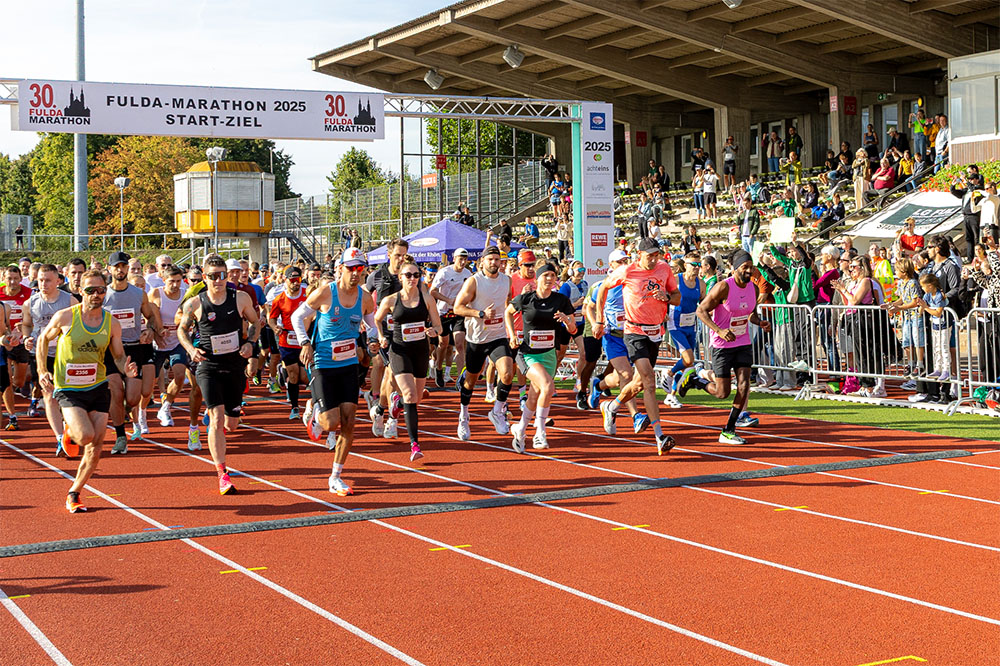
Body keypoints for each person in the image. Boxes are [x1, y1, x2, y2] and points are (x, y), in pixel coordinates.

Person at [36, 269, 136, 513]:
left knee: (96, 445)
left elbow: (119, 355)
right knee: (84, 436)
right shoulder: (65, 317)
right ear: (80, 291)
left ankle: (75, 491)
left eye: (101, 290)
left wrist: (127, 369)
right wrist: (41, 371)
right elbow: (42, 340)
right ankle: (69, 430)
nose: (96, 295)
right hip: (69, 388)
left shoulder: (111, 322)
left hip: (97, 385)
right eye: (91, 290)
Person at [295, 247, 378, 496]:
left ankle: (336, 476)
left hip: (348, 364)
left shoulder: (364, 298)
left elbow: (372, 325)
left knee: (350, 422)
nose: (355, 273)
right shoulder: (325, 293)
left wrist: (373, 339)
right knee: (331, 423)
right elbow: (298, 317)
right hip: (323, 363)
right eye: (351, 268)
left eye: (360, 269)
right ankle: (313, 411)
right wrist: (305, 343)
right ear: (340, 268)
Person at [176, 255, 260, 495]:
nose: (219, 280)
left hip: (234, 364)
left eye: (222, 275)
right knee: (215, 419)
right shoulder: (195, 303)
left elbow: (256, 322)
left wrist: (250, 343)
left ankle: (224, 412)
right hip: (208, 365)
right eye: (213, 276)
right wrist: (191, 349)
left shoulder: (240, 298)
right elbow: (181, 329)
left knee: (231, 425)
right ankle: (222, 473)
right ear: (205, 278)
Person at [595, 237, 680, 454]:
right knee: (649, 381)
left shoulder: (664, 269)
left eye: (656, 255)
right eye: (649, 255)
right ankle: (660, 437)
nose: (653, 259)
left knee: (639, 384)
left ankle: (611, 406)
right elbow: (603, 289)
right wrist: (598, 319)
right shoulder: (627, 271)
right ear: (639, 254)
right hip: (633, 331)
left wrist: (667, 296)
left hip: (655, 331)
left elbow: (677, 297)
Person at [688, 251, 771, 445]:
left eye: (751, 267)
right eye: (745, 267)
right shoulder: (723, 287)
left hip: (743, 342)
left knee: (744, 385)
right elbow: (701, 311)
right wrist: (719, 330)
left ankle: (728, 429)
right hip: (722, 345)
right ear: (734, 269)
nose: (749, 271)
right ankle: (695, 381)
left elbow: (750, 314)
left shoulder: (754, 288)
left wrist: (760, 323)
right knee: (722, 392)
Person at [373, 257, 443, 462]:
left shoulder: (427, 298)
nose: (413, 278)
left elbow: (439, 326)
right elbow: (377, 319)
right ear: (400, 277)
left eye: (416, 275)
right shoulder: (391, 300)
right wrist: (380, 336)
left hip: (420, 350)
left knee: (416, 398)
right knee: (410, 394)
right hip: (399, 350)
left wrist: (433, 330)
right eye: (408, 275)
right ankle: (414, 444)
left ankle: (397, 404)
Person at [505, 262, 576, 452]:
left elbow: (573, 328)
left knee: (535, 394)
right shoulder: (526, 299)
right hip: (528, 353)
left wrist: (566, 320)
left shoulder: (561, 300)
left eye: (553, 275)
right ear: (537, 278)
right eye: (546, 275)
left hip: (549, 354)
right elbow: (508, 313)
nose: (550, 279)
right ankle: (540, 432)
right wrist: (512, 335)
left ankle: (520, 428)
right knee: (547, 386)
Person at [102, 252, 164, 453]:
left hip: (135, 348)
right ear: (109, 269)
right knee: (115, 394)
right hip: (110, 350)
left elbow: (151, 316)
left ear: (127, 269)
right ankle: (120, 436)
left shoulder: (138, 294)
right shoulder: (102, 295)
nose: (120, 270)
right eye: (116, 266)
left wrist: (149, 329)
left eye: (123, 266)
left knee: (132, 398)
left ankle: (129, 414)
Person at [453, 245, 514, 439]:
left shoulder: (507, 280)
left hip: (498, 336)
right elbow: (457, 308)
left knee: (507, 373)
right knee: (470, 382)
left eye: (497, 259)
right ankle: (463, 416)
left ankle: (497, 411)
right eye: (490, 259)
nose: (494, 263)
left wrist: (511, 330)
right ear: (482, 262)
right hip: (476, 339)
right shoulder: (474, 282)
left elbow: (507, 304)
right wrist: (480, 314)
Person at [21, 264, 76, 451]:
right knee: (48, 393)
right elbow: (26, 325)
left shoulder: (70, 301)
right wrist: (27, 337)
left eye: (48, 280)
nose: (43, 284)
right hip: (42, 354)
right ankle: (60, 438)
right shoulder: (30, 303)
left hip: (66, 355)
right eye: (41, 280)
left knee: (67, 395)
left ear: (58, 281)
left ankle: (70, 427)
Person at [148, 265, 201, 448]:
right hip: (158, 342)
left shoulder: (186, 294)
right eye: (172, 281)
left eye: (179, 281)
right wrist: (156, 333)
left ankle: (166, 407)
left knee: (179, 375)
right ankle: (140, 417)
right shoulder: (155, 293)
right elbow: (149, 317)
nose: (176, 285)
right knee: (149, 384)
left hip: (177, 341)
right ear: (164, 279)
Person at [365, 238, 408, 438]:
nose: (400, 259)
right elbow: (364, 296)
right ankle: (391, 418)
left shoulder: (409, 275)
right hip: (383, 331)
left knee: (393, 374)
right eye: (397, 255)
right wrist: (366, 325)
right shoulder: (377, 276)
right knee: (390, 370)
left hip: (405, 331)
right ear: (389, 255)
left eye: (403, 255)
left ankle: (380, 410)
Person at [663, 252, 705, 409]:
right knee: (688, 359)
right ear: (685, 265)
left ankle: (671, 396)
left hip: (690, 325)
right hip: (675, 324)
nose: (696, 268)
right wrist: (663, 313)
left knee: (688, 365)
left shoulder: (701, 284)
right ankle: (669, 373)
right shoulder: (676, 280)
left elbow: (703, 302)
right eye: (693, 265)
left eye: (698, 265)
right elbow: (664, 296)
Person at [268, 265, 309, 419]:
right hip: (287, 340)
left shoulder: (307, 295)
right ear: (285, 280)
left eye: (297, 279)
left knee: (304, 377)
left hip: (304, 340)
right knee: (293, 375)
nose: (295, 283)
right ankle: (295, 408)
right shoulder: (279, 299)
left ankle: (282, 373)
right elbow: (271, 319)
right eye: (292, 280)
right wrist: (275, 327)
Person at [430, 248, 474, 388]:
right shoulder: (444, 272)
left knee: (460, 344)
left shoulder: (468, 274)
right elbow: (433, 291)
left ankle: (461, 378)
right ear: (454, 259)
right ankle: (438, 368)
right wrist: (448, 300)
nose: (462, 262)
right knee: (443, 344)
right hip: (443, 312)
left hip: (459, 312)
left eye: (465, 259)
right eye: (460, 259)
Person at [0, 264, 33, 430]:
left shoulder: (28, 293)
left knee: (19, 381)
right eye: (9, 279)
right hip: (5, 340)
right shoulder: (0, 294)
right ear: (3, 280)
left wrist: (26, 326)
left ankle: (8, 392)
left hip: (21, 341)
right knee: (5, 378)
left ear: (21, 279)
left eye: (15, 279)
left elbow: (33, 316)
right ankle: (11, 414)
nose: (12, 282)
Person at [558, 261, 590, 408]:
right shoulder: (566, 287)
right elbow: (560, 308)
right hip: (565, 324)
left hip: (580, 324)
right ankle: (549, 380)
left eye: (583, 269)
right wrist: (576, 304)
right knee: (560, 354)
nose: (582, 272)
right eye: (579, 269)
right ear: (571, 271)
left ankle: (578, 381)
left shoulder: (585, 285)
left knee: (584, 353)